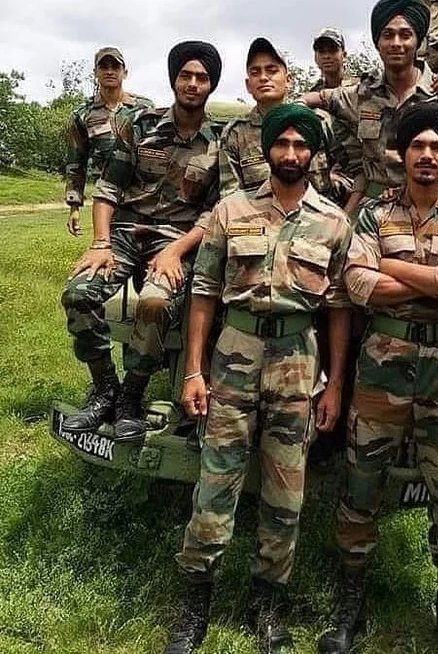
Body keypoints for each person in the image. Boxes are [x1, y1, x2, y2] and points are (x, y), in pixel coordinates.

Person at [167, 105, 353, 654]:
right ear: (268, 148)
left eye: (301, 145)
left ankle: (267, 603)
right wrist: (194, 370)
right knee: (215, 483)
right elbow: (204, 292)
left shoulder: (333, 222)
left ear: (313, 153)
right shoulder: (231, 209)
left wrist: (334, 385)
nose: (291, 153)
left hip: (298, 360)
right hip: (235, 353)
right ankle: (195, 603)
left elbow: (339, 308)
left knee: (285, 491)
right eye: (282, 143)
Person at [318, 103, 438, 654]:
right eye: (418, 146)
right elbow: (358, 285)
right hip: (381, 369)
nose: (428, 155)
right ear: (403, 154)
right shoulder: (373, 214)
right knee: (361, 484)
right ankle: (350, 599)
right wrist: (435, 282)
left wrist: (390, 268)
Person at [60, 41, 222, 442]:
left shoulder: (219, 140)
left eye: (202, 78)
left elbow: (216, 212)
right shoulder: (141, 125)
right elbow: (109, 188)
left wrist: (175, 251)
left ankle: (131, 397)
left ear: (211, 85)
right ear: (174, 80)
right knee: (78, 294)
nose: (193, 84)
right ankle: (105, 389)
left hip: (177, 241)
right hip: (125, 234)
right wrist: (101, 242)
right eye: (185, 75)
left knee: (155, 302)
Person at [303, 0, 438, 229]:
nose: (396, 43)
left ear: (418, 42)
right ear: (377, 43)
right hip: (375, 212)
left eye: (405, 35)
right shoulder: (361, 94)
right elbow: (314, 98)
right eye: (388, 35)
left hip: (435, 211)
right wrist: (296, 111)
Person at [218, 37, 334, 200]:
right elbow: (230, 195)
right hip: (256, 214)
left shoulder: (317, 122)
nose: (263, 77)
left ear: (288, 80)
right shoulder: (235, 133)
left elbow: (350, 171)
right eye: (255, 72)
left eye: (271, 70)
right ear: (248, 85)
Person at [64, 46, 153, 236]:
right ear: (95, 72)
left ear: (125, 72)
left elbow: (158, 152)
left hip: (142, 197)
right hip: (107, 199)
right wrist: (74, 207)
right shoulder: (82, 114)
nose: (110, 71)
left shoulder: (145, 109)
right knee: (108, 248)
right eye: (104, 66)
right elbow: (76, 162)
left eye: (115, 67)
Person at [309, 27, 363, 207]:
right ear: (316, 58)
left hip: (361, 166)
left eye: (332, 51)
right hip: (326, 170)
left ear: (344, 55)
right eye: (321, 52)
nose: (327, 56)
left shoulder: (361, 88)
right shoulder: (311, 94)